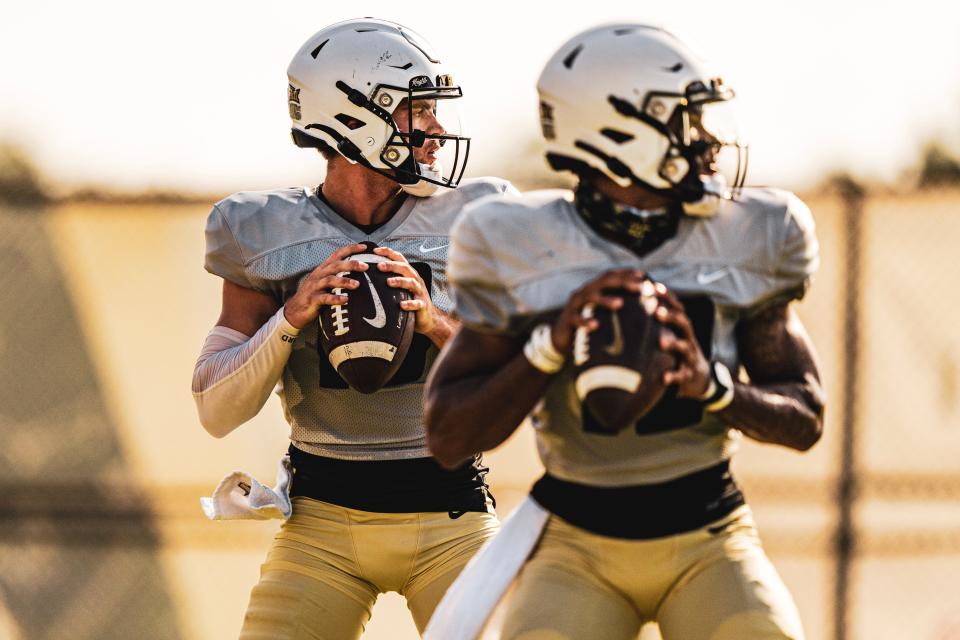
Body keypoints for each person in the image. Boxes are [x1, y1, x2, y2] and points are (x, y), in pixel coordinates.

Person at [424, 24, 824, 640]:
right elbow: (450, 436)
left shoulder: (753, 232)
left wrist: (712, 386)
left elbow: (805, 415)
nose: (708, 140)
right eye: (684, 121)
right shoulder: (516, 240)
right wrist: (549, 344)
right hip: (575, 545)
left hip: (710, 535)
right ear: (616, 132)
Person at [191, 18, 513, 639]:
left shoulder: (477, 217)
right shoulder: (259, 230)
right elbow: (214, 407)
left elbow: (515, 375)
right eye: (418, 110)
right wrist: (290, 317)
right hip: (321, 527)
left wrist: (435, 321)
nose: (438, 129)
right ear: (353, 117)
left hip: (452, 517)